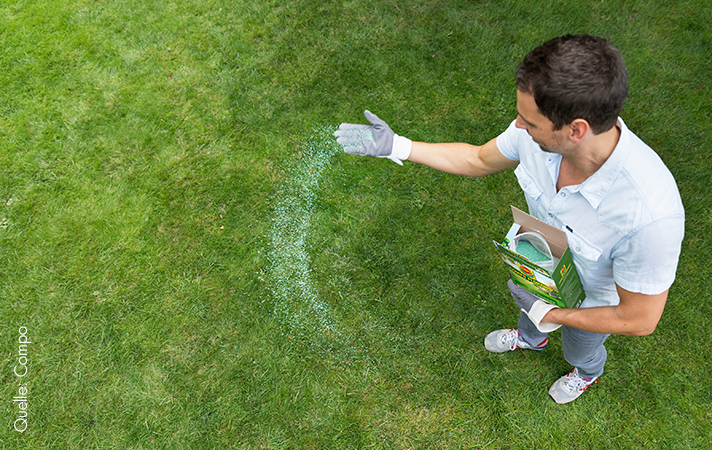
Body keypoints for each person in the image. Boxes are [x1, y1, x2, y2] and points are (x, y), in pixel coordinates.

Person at [334, 34, 685, 404]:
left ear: (576, 130)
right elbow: (477, 159)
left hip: (594, 303)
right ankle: (531, 338)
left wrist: (556, 314)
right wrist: (398, 146)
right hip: (539, 261)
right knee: (528, 311)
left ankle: (586, 371)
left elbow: (639, 319)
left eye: (529, 121)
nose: (518, 126)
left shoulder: (648, 217)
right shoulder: (534, 136)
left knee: (578, 349)